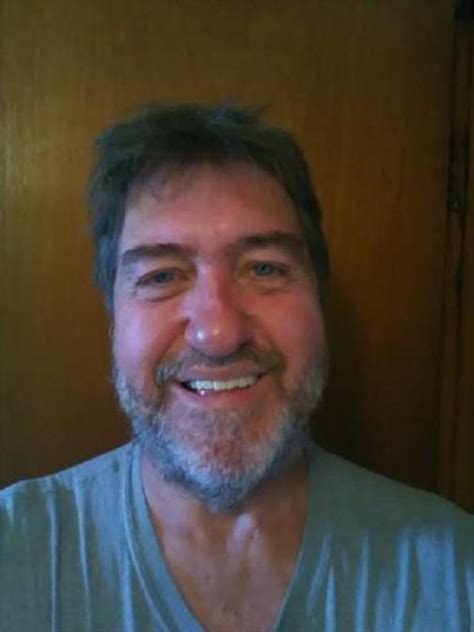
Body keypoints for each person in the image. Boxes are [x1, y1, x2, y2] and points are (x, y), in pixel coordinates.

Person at [0, 103, 472, 632]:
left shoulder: (455, 573)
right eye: (161, 276)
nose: (218, 334)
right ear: (114, 317)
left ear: (318, 299)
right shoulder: (14, 549)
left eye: (264, 268)